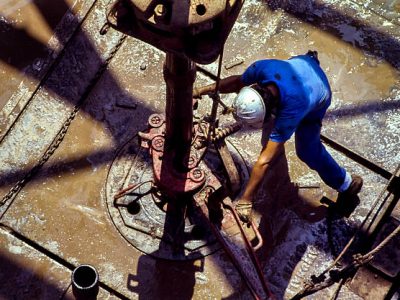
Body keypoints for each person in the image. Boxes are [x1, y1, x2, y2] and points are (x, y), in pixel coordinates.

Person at [194, 51, 363, 222]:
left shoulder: (292, 110)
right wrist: (201, 90)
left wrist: (246, 200)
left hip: (317, 89)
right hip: (300, 65)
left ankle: (347, 184)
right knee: (271, 142)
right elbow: (237, 82)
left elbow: (265, 160)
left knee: (306, 150)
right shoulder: (261, 69)